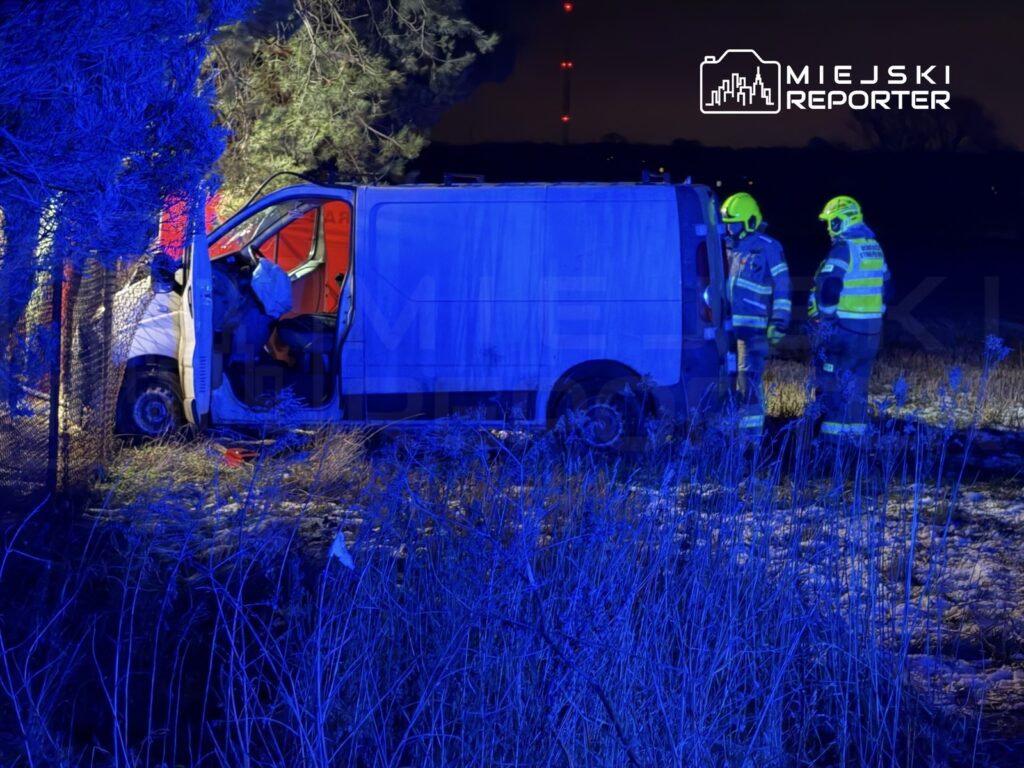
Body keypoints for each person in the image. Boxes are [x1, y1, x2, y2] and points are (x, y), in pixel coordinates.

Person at [808, 195, 891, 440]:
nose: (828, 228)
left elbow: (830, 287)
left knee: (833, 387)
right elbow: (888, 288)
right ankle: (856, 444)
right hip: (871, 333)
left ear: (843, 221)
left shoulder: (843, 249)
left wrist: (826, 320)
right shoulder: (875, 248)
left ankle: (832, 447)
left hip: (844, 330)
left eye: (831, 222)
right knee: (857, 389)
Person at [720, 192, 791, 438]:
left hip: (754, 329)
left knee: (748, 383)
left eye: (735, 224)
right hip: (726, 328)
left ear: (750, 221)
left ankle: (750, 441)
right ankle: (730, 434)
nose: (730, 229)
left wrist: (780, 321)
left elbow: (783, 286)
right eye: (727, 224)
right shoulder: (726, 246)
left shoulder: (768, 247)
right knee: (728, 382)